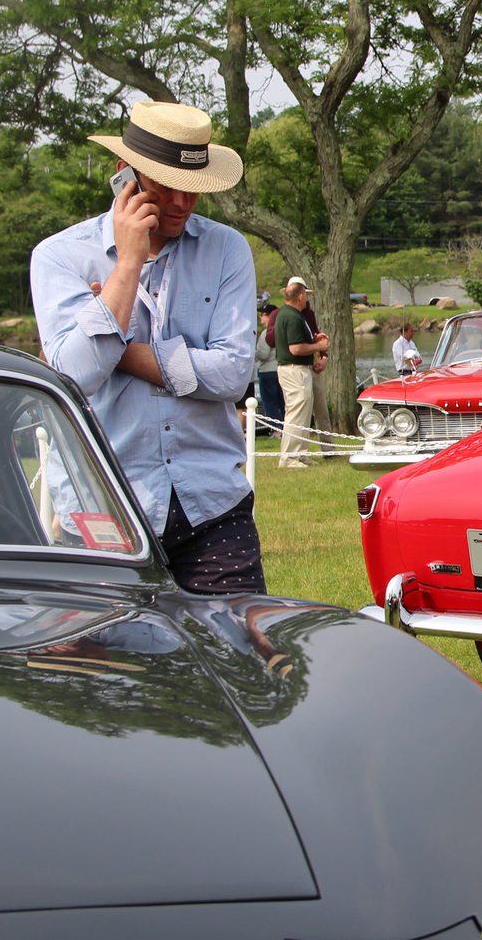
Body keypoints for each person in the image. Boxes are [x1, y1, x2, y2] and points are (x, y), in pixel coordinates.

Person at [31, 100, 264, 593]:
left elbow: (232, 374)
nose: (181, 203)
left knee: (237, 659)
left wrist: (120, 348)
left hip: (212, 503)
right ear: (125, 177)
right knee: (117, 666)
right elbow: (75, 377)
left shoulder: (228, 249)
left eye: (194, 190)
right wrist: (127, 264)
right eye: (165, 186)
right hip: (103, 509)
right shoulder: (58, 256)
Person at [273, 278, 327, 469]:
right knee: (297, 413)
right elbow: (295, 348)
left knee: (302, 412)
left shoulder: (289, 314)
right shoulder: (293, 316)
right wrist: (318, 346)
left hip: (293, 369)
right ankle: (289, 457)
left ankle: (300, 453)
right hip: (294, 369)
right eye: (305, 296)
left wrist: (313, 338)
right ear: (301, 296)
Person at [289, 276, 332, 455]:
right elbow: (273, 339)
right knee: (300, 410)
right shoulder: (284, 315)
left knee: (321, 408)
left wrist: (323, 356)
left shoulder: (309, 314)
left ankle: (328, 448)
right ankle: (298, 451)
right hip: (295, 367)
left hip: (312, 365)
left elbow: (315, 336)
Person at [254, 303, 283, 437]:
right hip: (281, 370)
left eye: (263, 315)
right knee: (282, 401)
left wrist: (253, 353)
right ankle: (285, 428)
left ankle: (276, 430)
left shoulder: (267, 333)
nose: (261, 318)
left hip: (267, 371)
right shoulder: (282, 330)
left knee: (270, 403)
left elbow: (263, 354)